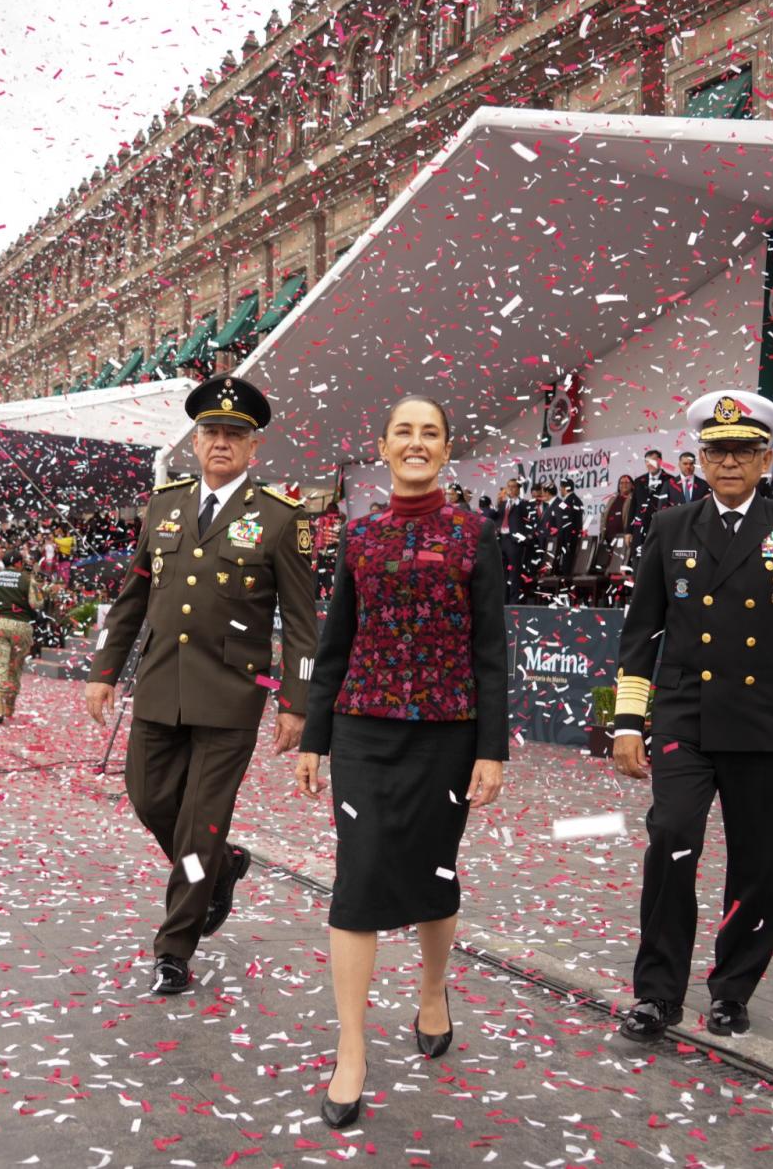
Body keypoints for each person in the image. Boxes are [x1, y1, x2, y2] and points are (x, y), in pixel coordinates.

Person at [294, 394, 507, 1129]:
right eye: (403, 433)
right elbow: (334, 646)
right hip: (363, 729)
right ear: (383, 448)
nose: (416, 444)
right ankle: (351, 1047)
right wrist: (315, 738)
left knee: (431, 872)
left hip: (448, 731)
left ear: (447, 449)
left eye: (430, 433)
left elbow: (490, 652)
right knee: (357, 878)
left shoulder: (477, 535)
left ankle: (432, 987)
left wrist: (492, 750)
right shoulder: (357, 537)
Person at [609, 390, 773, 1042]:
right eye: (717, 450)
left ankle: (731, 990)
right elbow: (640, 634)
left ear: (766, 456)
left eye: (744, 450)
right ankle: (657, 994)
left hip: (766, 724)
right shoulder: (670, 527)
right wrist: (630, 720)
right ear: (699, 458)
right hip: (687, 715)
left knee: (754, 863)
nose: (730, 461)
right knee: (671, 840)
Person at [86, 375, 319, 997]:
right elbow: (133, 594)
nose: (221, 443)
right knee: (147, 797)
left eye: (234, 435)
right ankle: (223, 869)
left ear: (253, 448)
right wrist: (105, 670)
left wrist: (295, 704)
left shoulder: (279, 518)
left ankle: (175, 945)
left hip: (231, 697)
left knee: (199, 826)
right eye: (211, 432)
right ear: (194, 441)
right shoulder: (165, 505)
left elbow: (301, 623)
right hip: (161, 685)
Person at [0, 554, 45, 722]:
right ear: (18, 563)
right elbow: (37, 604)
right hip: (21, 626)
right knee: (15, 666)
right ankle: (10, 706)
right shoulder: (27, 580)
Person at [627, 450, 679, 567]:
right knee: (638, 565)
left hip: (661, 528)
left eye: (653, 461)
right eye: (647, 462)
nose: (650, 464)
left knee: (659, 563)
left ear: (660, 462)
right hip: (639, 530)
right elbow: (633, 507)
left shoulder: (671, 480)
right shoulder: (639, 481)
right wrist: (628, 531)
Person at [551, 479, 585, 578]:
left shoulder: (568, 502)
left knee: (567, 566)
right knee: (570, 564)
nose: (560, 490)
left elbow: (565, 523)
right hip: (573, 538)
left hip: (568, 538)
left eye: (561, 488)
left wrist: (561, 538)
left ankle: (567, 587)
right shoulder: (576, 500)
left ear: (564, 488)